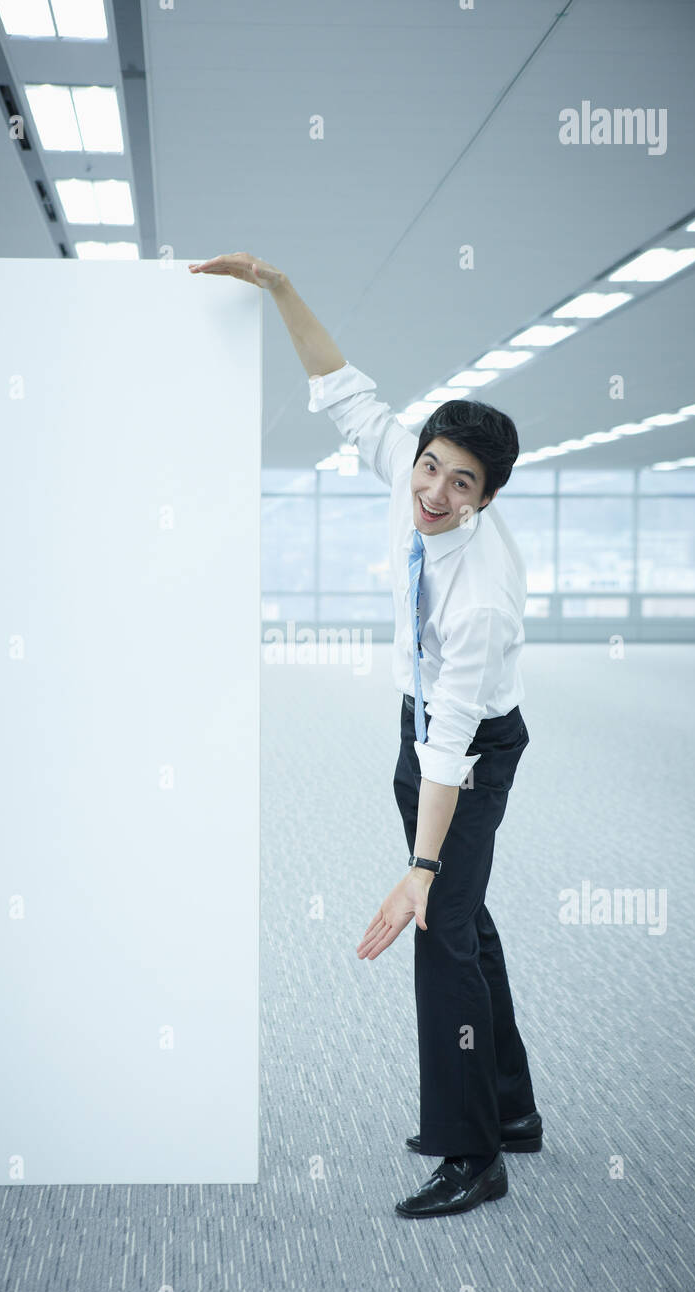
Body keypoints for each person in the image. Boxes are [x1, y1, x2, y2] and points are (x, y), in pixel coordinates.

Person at [189, 252, 542, 1219]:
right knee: (467, 925)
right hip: (420, 719)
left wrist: (419, 871)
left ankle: (474, 1153)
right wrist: (280, 288)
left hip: (467, 745)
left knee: (438, 931)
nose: (433, 490)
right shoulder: (407, 473)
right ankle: (509, 1109)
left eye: (459, 483)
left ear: (487, 496)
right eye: (430, 464)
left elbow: (452, 747)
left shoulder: (481, 602)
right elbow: (342, 392)